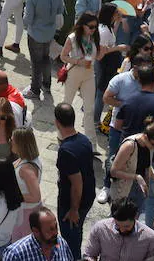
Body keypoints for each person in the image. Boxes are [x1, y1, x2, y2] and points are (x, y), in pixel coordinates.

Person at [53, 103, 94, 259]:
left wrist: (73, 209)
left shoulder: (66, 150)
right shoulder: (84, 140)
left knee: (70, 240)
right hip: (87, 198)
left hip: (72, 204)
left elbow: (77, 183)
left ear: (57, 122)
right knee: (77, 232)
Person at [23, 0, 64, 101]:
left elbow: (27, 19)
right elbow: (60, 10)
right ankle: (46, 85)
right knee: (46, 59)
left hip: (35, 34)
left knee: (36, 62)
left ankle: (35, 89)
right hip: (50, 32)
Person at [82, 198, 154, 261]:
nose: (122, 230)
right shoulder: (100, 229)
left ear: (135, 217)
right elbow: (89, 255)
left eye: (126, 226)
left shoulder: (150, 238)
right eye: (117, 225)